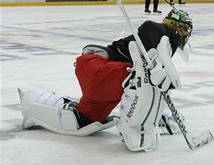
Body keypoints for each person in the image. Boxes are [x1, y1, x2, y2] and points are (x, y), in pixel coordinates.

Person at [19, 9, 193, 152]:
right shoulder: (159, 30)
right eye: (184, 29)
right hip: (97, 67)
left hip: (102, 76)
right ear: (173, 24)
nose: (186, 34)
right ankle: (135, 127)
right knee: (139, 78)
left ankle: (31, 102)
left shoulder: (167, 45)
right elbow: (148, 34)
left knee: (82, 121)